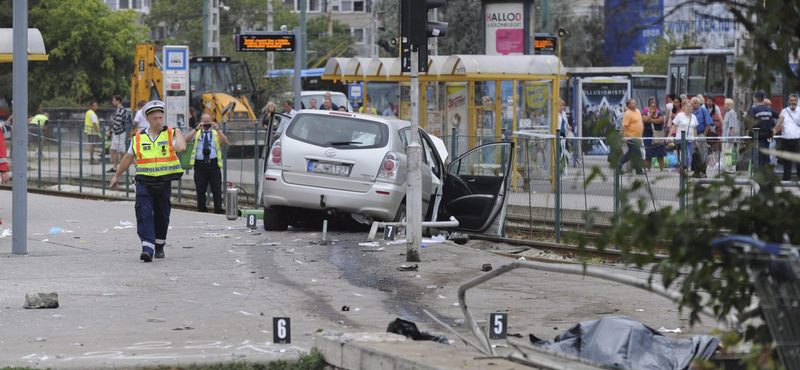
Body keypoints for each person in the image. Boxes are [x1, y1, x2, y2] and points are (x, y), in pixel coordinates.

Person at [110, 100, 187, 262]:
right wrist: (116, 175)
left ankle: (159, 245)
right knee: (144, 214)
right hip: (144, 183)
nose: (159, 121)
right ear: (148, 119)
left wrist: (178, 132)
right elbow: (128, 157)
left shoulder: (170, 134)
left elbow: (181, 148)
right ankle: (147, 248)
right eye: (155, 118)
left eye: (161, 117)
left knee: (162, 216)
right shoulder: (138, 137)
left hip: (163, 183)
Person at [185, 113, 229, 214]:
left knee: (216, 189)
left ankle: (218, 210)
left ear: (211, 121)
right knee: (200, 190)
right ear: (201, 121)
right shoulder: (196, 133)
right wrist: (196, 129)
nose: (206, 124)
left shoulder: (215, 133)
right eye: (204, 122)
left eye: (208, 121)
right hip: (200, 165)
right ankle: (202, 210)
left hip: (213, 164)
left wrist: (218, 129)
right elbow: (186, 139)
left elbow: (225, 141)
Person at [748, 91, 780, 169]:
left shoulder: (754, 109)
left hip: (757, 138)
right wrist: (775, 129)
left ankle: (759, 179)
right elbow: (782, 116)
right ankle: (767, 178)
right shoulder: (769, 110)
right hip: (767, 138)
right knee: (766, 158)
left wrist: (749, 130)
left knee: (758, 159)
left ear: (755, 100)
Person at [774, 94, 800, 180]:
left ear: (797, 101)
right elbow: (781, 124)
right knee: (786, 160)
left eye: (794, 100)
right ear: (788, 101)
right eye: (791, 100)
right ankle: (786, 179)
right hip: (786, 139)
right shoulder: (784, 111)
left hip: (797, 139)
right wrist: (775, 130)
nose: (793, 102)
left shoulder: (799, 111)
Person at [671, 99, 699, 171]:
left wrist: (696, 140)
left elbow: (695, 129)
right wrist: (669, 135)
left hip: (691, 139)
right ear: (683, 107)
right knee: (686, 155)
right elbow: (674, 126)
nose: (688, 107)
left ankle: (686, 168)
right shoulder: (679, 115)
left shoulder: (694, 117)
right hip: (681, 138)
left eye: (690, 106)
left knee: (689, 155)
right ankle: (684, 168)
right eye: (687, 106)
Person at [619, 99, 644, 174]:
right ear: (629, 105)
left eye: (635, 102)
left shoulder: (638, 111)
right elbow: (624, 126)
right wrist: (622, 136)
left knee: (632, 153)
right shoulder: (627, 113)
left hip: (638, 137)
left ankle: (619, 164)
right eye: (633, 103)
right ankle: (638, 170)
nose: (635, 103)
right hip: (630, 137)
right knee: (635, 152)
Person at [691, 97, 713, 176]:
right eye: (692, 103)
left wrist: (704, 134)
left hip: (700, 134)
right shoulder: (690, 111)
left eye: (695, 103)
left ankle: (704, 171)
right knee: (694, 153)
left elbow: (708, 124)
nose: (693, 104)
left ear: (699, 104)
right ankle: (695, 171)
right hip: (691, 135)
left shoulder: (703, 111)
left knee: (703, 153)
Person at [642, 100, 666, 170]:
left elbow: (660, 120)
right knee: (649, 153)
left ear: (657, 107)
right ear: (649, 107)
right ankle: (648, 168)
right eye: (651, 106)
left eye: (654, 106)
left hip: (658, 137)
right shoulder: (646, 114)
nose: (653, 108)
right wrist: (650, 115)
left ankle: (662, 168)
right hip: (648, 136)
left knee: (660, 154)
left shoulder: (660, 114)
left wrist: (651, 120)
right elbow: (645, 120)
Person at [108, 95, 129, 173]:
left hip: (120, 133)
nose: (113, 102)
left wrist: (110, 132)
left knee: (122, 152)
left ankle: (133, 164)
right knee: (114, 150)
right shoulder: (118, 110)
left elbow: (117, 124)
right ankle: (115, 168)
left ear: (118, 101)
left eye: (114, 100)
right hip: (116, 134)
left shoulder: (120, 110)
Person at [721, 98, 738, 172]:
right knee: (729, 152)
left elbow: (732, 126)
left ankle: (730, 169)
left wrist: (731, 135)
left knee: (728, 152)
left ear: (731, 105)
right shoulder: (727, 113)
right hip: (725, 136)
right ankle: (729, 168)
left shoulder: (731, 113)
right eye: (726, 105)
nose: (726, 106)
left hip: (728, 137)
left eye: (728, 105)